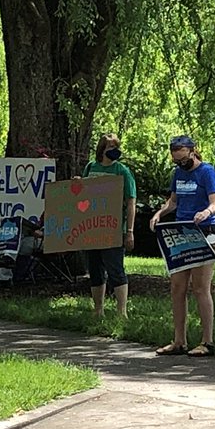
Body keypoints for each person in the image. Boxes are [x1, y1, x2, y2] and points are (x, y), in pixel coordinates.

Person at [148, 135, 215, 358]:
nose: (181, 164)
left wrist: (206, 212)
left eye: (183, 159)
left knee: (200, 288)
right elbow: (173, 201)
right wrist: (160, 213)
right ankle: (179, 340)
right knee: (177, 287)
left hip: (204, 231)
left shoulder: (207, 172)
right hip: (181, 231)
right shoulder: (178, 174)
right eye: (176, 160)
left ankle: (207, 341)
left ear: (192, 151)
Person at [81, 133, 137, 318]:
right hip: (91, 227)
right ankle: (98, 310)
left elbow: (131, 202)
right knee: (95, 270)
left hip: (113, 228)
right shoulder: (91, 167)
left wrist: (129, 231)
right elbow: (82, 194)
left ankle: (122, 313)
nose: (115, 151)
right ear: (102, 149)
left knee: (115, 269)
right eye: (111, 147)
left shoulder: (122, 171)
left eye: (116, 147)